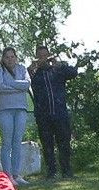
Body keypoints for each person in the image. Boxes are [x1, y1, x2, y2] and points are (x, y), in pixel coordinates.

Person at [28, 46, 79, 180]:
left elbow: (73, 73)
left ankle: (66, 170)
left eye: (45, 55)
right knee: (47, 144)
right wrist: (31, 68)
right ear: (36, 58)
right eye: (40, 56)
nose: (43, 59)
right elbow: (24, 80)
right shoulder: (34, 73)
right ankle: (51, 172)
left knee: (64, 143)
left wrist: (59, 65)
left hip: (60, 113)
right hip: (43, 115)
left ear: (49, 56)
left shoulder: (57, 70)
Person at [0, 47, 32, 187]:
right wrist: (17, 86)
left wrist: (10, 84)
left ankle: (17, 174)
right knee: (7, 143)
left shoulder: (22, 69)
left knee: (17, 142)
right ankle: (7, 176)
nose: (10, 59)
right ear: (3, 59)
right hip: (4, 110)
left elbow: (27, 84)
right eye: (7, 57)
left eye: (12, 56)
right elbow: (0, 87)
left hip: (21, 109)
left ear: (16, 57)